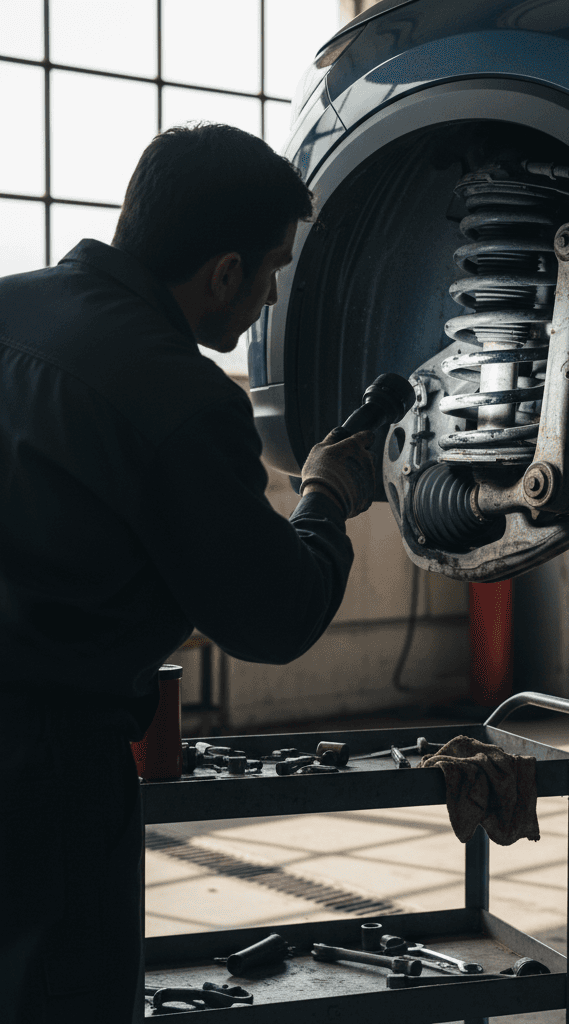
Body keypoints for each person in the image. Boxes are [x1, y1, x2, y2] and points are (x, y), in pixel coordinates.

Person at [0, 123, 375, 1023]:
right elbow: (274, 616)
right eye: (271, 270)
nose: (270, 295)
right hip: (41, 770)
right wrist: (326, 497)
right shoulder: (181, 395)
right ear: (224, 272)